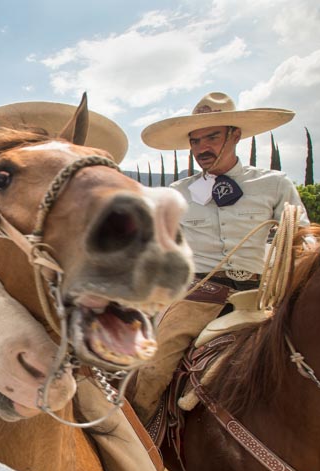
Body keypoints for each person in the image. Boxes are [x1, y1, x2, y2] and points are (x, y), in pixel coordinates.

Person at [131, 91, 309, 420]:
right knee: (154, 370)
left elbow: (303, 237)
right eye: (195, 141)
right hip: (198, 294)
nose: (201, 148)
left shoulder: (274, 184)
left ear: (235, 134)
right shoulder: (178, 193)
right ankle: (140, 439)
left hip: (262, 296)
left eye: (212, 137)